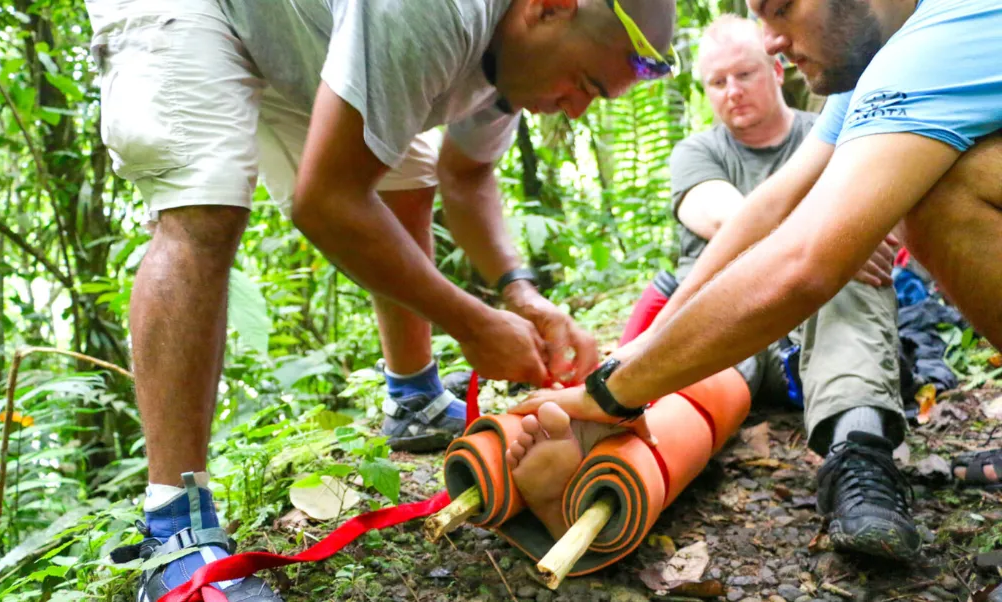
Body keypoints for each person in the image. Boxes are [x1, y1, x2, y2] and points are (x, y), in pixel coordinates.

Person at [87, 0, 676, 599]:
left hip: (301, 31)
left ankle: (414, 396)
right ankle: (172, 525)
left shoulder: (516, 59)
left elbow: (465, 177)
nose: (575, 110)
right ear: (547, 9)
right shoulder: (436, 11)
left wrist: (522, 295)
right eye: (583, 83)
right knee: (204, 209)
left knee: (403, 178)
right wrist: (472, 324)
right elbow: (326, 201)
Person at [514, 0, 1002, 563]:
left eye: (782, 8)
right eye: (717, 80)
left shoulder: (937, 40)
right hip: (752, 346)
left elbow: (805, 261)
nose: (770, 40)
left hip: (820, 317)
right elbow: (759, 214)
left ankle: (860, 450)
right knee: (849, 240)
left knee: (909, 215)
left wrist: (614, 392)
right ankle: (601, 465)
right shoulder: (862, 86)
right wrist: (624, 368)